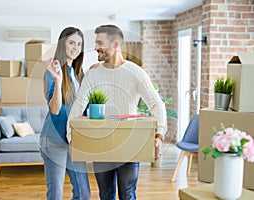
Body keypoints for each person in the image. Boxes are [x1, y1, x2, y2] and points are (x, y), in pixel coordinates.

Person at [67, 24, 167, 200]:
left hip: (129, 145)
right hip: (101, 144)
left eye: (100, 42)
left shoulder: (136, 72)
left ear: (115, 44)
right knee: (106, 195)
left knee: (128, 195)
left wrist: (159, 136)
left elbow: (156, 104)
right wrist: (71, 137)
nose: (96, 47)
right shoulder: (93, 74)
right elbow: (78, 106)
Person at [39, 27, 90, 200]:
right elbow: (55, 109)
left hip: (74, 141)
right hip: (54, 141)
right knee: (55, 195)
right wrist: (58, 80)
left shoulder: (79, 73)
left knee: (83, 193)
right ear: (62, 44)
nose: (75, 47)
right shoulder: (53, 69)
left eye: (79, 44)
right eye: (71, 42)